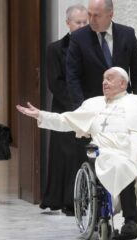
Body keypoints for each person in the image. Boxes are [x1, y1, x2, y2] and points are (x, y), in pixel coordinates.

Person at [17, 67, 137, 238]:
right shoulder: (93, 104)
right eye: (103, 79)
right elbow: (65, 121)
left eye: (109, 78)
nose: (104, 82)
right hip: (109, 156)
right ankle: (130, 221)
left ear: (123, 83)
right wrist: (40, 115)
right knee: (122, 166)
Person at [40, 4, 88, 216]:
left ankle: (83, 198)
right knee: (65, 154)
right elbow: (55, 83)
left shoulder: (93, 47)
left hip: (88, 109)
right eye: (78, 22)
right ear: (68, 23)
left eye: (85, 22)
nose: (82, 25)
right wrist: (75, 106)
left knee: (83, 153)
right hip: (65, 107)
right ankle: (64, 200)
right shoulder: (55, 49)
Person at [67, 0, 137, 110]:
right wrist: (81, 109)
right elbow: (73, 77)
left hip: (124, 106)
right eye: (89, 14)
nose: (91, 20)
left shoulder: (127, 34)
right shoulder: (78, 38)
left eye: (97, 15)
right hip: (92, 106)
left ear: (110, 14)